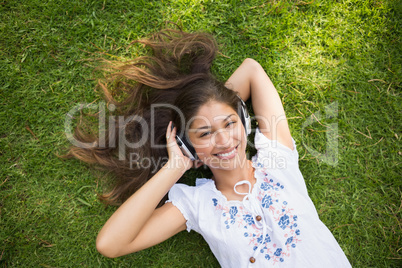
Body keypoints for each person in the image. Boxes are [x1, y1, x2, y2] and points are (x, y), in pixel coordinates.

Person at [68, 29, 351, 267]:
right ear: (186, 144)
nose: (225, 141)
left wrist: (214, 102)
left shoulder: (278, 160)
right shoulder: (197, 205)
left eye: (229, 124)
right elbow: (110, 244)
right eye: (205, 133)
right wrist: (175, 167)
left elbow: (252, 69)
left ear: (243, 120)